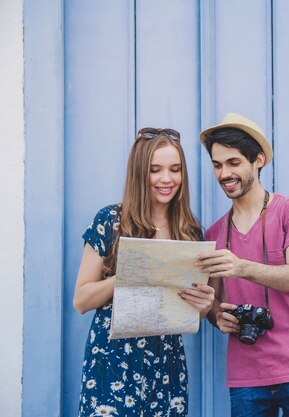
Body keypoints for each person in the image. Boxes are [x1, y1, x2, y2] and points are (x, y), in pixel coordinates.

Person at [73, 127, 215, 417]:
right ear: (140, 173)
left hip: (167, 366)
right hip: (112, 364)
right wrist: (126, 275)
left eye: (175, 170)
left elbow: (191, 311)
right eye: (155, 170)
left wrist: (203, 305)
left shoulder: (189, 231)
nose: (167, 179)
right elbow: (81, 300)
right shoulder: (111, 220)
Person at [197, 113, 289, 417]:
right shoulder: (215, 233)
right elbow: (211, 301)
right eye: (217, 165)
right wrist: (217, 315)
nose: (224, 173)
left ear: (257, 160)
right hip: (245, 377)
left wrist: (241, 267)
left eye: (233, 163)